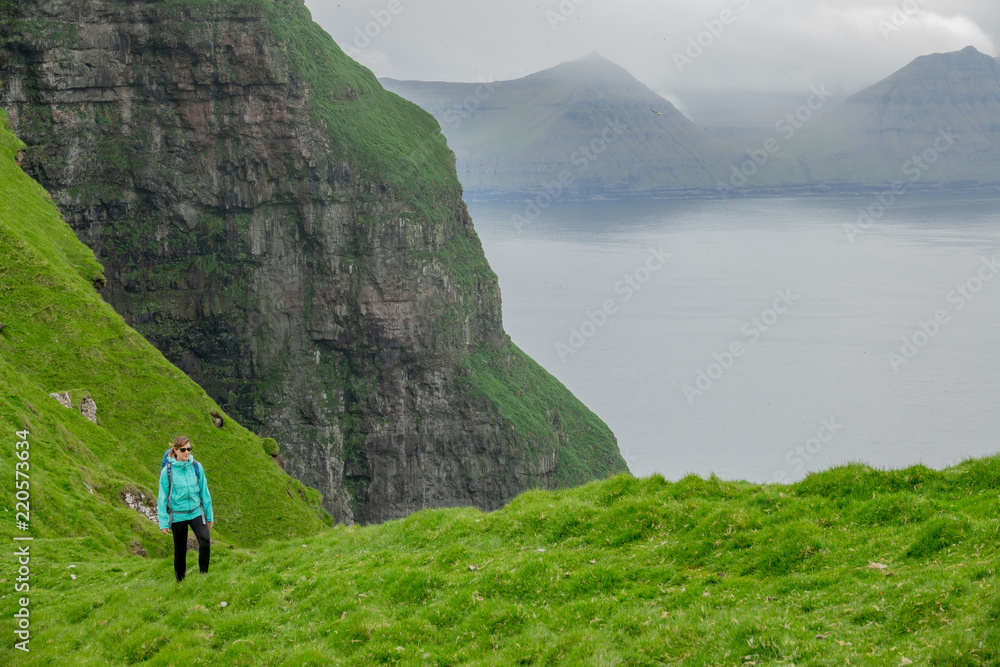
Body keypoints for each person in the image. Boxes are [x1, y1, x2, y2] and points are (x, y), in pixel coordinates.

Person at [157, 436, 214, 582]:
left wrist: (209, 515)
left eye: (189, 449)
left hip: (196, 511)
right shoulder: (167, 471)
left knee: (205, 540)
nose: (187, 452)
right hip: (178, 515)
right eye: (183, 450)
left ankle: (203, 576)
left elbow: (204, 491)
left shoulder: (196, 466)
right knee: (180, 550)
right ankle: (180, 582)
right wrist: (163, 522)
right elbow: (162, 497)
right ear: (175, 450)